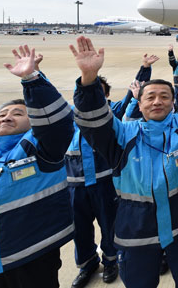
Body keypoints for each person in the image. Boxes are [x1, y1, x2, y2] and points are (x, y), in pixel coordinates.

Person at [72, 33, 178, 288]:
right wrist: (88, 80)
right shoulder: (123, 135)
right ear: (139, 105)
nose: (157, 101)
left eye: (164, 96)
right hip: (137, 230)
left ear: (173, 103)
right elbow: (94, 121)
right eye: (150, 97)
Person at [67, 53, 158, 288]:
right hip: (76, 183)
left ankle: (110, 262)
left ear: (104, 95)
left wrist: (145, 67)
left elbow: (135, 91)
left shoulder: (113, 112)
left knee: (109, 225)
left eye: (97, 91)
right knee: (80, 229)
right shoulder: (69, 117)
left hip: (105, 181)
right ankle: (87, 264)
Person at [0, 45, 74, 287]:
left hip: (29, 257)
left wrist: (33, 80)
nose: (7, 117)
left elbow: (57, 123)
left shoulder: (40, 148)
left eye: (17, 114)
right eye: (2, 114)